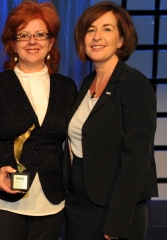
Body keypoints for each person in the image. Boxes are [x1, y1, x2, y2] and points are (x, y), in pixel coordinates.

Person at [0, 1, 77, 239]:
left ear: (51, 42)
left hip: (51, 200)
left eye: (40, 34)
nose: (32, 41)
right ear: (13, 43)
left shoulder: (67, 88)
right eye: (24, 35)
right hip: (3, 202)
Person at [64, 2, 158, 239]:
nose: (97, 37)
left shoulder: (134, 85)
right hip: (79, 204)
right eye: (90, 29)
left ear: (121, 40)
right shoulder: (87, 83)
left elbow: (137, 159)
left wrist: (116, 222)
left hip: (116, 209)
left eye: (107, 29)